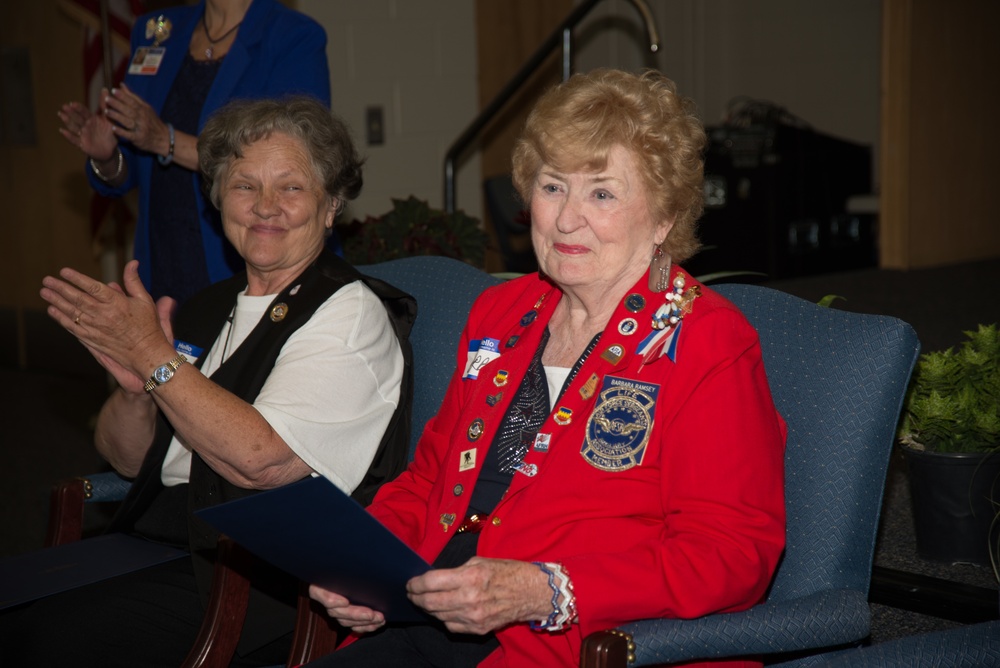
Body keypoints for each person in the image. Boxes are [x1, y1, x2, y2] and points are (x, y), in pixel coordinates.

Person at [306, 69, 788, 668]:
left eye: (603, 194)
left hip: (575, 644)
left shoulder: (706, 341)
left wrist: (547, 590)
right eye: (553, 186)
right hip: (424, 614)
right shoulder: (501, 311)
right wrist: (365, 566)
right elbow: (428, 480)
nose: (565, 219)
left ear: (663, 217)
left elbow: (730, 555)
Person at [4, 97, 411, 667]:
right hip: (160, 543)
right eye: (244, 186)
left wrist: (151, 357)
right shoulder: (206, 307)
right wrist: (132, 390)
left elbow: (262, 461)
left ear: (330, 207)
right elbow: (126, 460)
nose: (265, 206)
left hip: (255, 577)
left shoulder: (348, 314)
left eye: (291, 188)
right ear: (220, 200)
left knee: (44, 638)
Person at [57, 0, 332, 306]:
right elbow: (135, 159)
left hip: (244, 254)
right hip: (163, 255)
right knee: (166, 354)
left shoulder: (293, 36)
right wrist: (107, 156)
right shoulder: (157, 30)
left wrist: (166, 141)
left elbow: (296, 159)